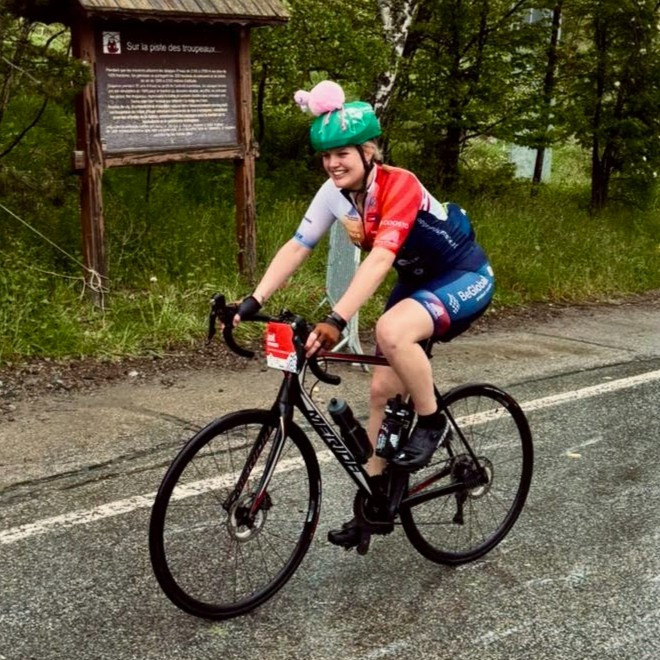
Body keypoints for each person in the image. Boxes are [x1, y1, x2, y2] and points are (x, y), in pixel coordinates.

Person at [234, 81, 494, 549]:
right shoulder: (334, 193)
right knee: (380, 390)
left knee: (391, 331)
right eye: (326, 155)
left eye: (343, 153)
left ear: (368, 152)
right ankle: (376, 501)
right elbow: (298, 246)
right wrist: (253, 300)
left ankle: (431, 421)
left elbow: (379, 260)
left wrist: (335, 319)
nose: (334, 163)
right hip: (417, 281)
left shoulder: (400, 185)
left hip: (463, 274)